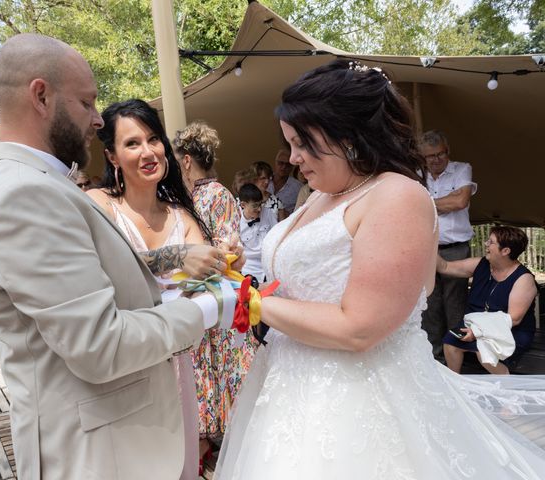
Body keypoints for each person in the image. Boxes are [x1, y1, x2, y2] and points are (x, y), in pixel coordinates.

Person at [215, 60, 545, 479]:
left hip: (358, 398)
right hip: (289, 384)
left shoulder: (397, 196)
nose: (294, 158)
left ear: (346, 135)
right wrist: (240, 273)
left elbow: (361, 327)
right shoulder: (321, 194)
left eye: (302, 143)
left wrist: (249, 301)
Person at [0, 33, 229, 480]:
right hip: (98, 453)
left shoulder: (39, 184)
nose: (97, 120)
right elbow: (100, 344)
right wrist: (208, 307)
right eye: (87, 103)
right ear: (41, 96)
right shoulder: (27, 194)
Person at [88, 100, 226, 479]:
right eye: (132, 144)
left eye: (153, 139)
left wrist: (224, 263)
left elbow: (206, 286)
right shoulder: (98, 207)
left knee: (178, 463)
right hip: (125, 361)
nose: (148, 151)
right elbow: (98, 272)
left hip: (179, 362)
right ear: (112, 156)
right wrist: (174, 257)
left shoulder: (181, 214)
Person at [173, 121, 255, 469]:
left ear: (188, 160)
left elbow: (226, 251)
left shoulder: (216, 194)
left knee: (223, 380)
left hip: (215, 302)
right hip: (197, 301)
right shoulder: (191, 196)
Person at [439, 226, 537, 374]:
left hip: (510, 330)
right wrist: (427, 244)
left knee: (483, 351)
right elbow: (445, 267)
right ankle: (455, 382)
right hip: (475, 324)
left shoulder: (524, 279)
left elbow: (514, 319)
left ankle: (506, 381)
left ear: (505, 251)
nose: (486, 244)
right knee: (450, 343)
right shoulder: (481, 264)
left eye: (490, 242)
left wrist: (478, 332)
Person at [419, 130, 477, 358]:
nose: (436, 159)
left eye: (441, 154)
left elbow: (461, 201)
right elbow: (411, 206)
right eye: (430, 156)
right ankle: (434, 356)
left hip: (456, 249)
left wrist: (426, 204)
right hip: (427, 249)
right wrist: (444, 202)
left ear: (448, 151)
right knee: (429, 304)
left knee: (455, 305)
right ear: (422, 157)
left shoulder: (461, 169)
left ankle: (458, 355)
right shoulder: (415, 175)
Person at [238, 183, 276, 281]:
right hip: (248, 268)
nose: (259, 209)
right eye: (255, 206)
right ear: (243, 205)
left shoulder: (268, 213)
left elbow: (277, 236)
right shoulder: (236, 219)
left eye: (260, 204)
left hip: (269, 264)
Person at [267, 148, 302, 215]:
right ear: (275, 162)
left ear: (292, 166)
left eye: (288, 165)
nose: (283, 167)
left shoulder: (298, 188)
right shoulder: (264, 181)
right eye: (281, 163)